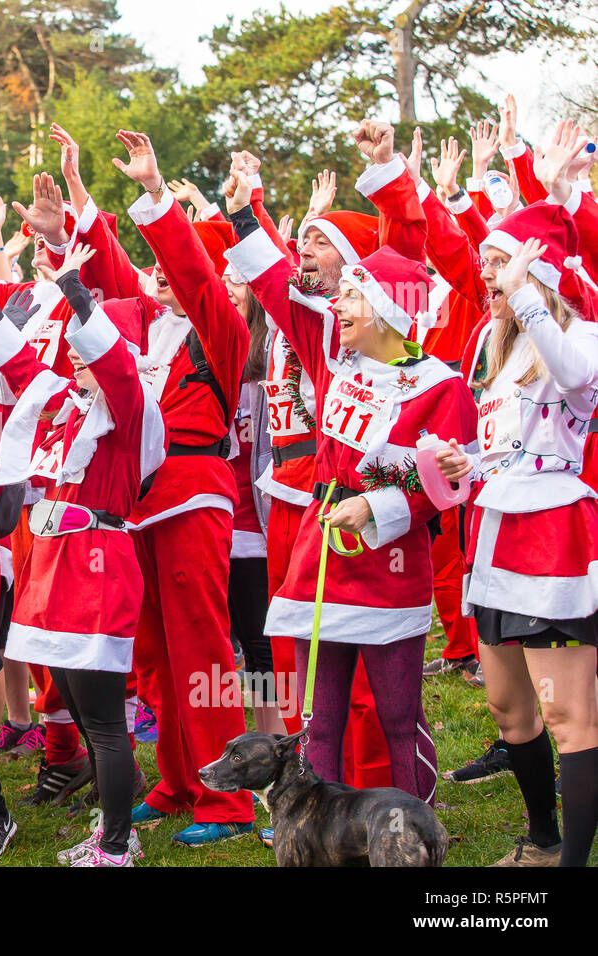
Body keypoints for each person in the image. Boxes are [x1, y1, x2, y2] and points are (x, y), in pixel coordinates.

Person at [225, 129, 479, 805]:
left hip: (389, 566)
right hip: (321, 554)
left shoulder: (439, 384)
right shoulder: (335, 363)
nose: (337, 304)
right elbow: (281, 289)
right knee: (318, 718)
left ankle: (412, 829)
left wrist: (378, 508)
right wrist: (243, 215)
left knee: (399, 717)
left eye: (353, 297)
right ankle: (317, 836)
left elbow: (452, 479)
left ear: (388, 311)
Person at [0, 231, 165, 865]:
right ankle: (119, 820)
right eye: (73, 355)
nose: (75, 362)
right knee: (77, 705)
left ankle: (116, 845)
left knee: (103, 719)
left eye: (88, 353)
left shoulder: (130, 411)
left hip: (97, 566)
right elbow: (23, 369)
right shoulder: (70, 407)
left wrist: (76, 290)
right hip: (52, 567)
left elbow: (117, 370)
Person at [438, 193, 598, 867]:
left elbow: (580, 382)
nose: (489, 279)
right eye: (488, 266)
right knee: (511, 712)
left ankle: (570, 865)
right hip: (495, 539)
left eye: (501, 264)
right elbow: (504, 448)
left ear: (538, 272)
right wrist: (461, 461)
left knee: (568, 715)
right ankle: (542, 841)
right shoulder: (498, 350)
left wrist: (529, 294)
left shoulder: (578, 333)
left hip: (553, 539)